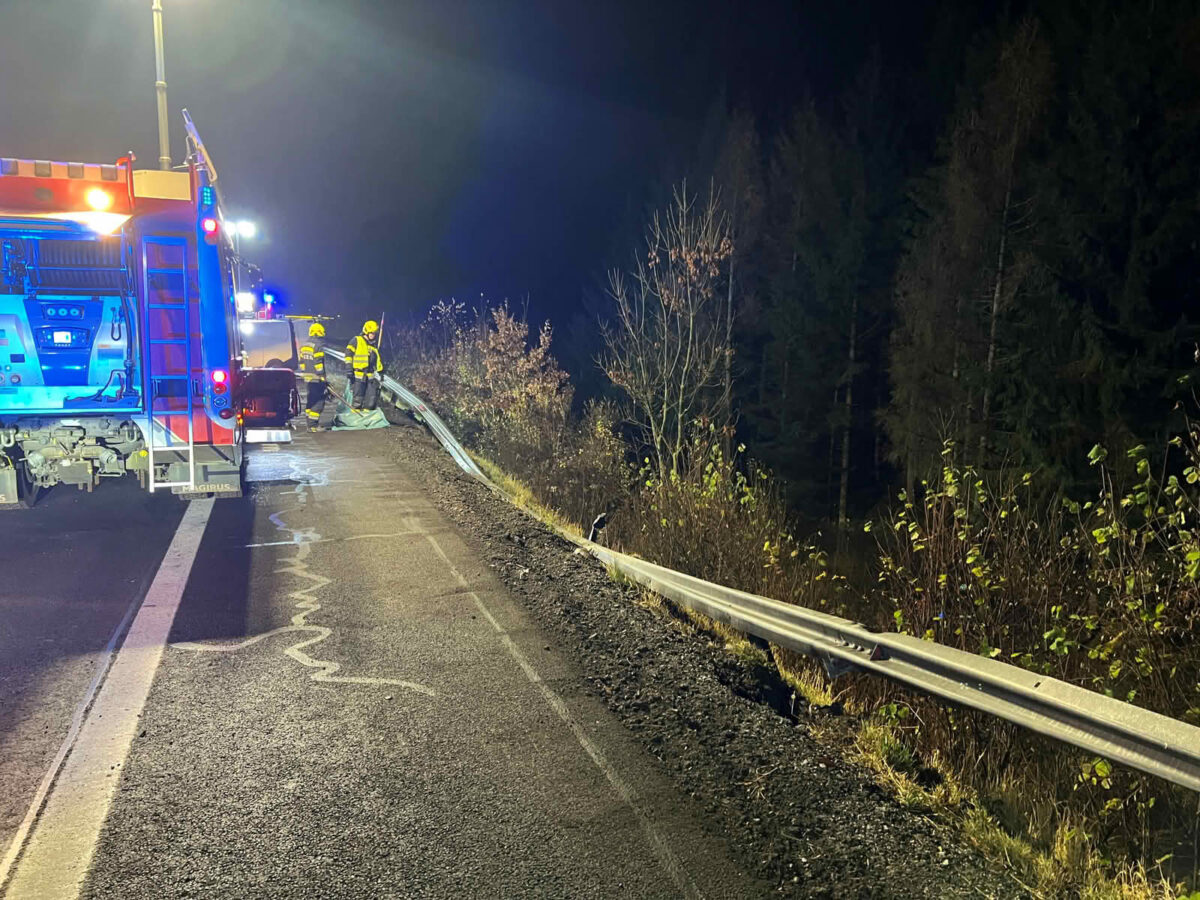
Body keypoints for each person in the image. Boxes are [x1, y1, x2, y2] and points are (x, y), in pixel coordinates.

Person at [346, 319, 383, 410]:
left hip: (370, 376)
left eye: (374, 333)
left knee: (371, 399)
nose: (373, 335)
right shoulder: (356, 340)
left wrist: (381, 371)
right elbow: (348, 354)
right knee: (358, 399)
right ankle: (355, 415)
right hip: (359, 375)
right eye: (372, 333)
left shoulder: (373, 345)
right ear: (366, 331)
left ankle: (367, 415)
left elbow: (377, 360)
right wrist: (349, 368)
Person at [297, 321, 327, 429]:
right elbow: (319, 363)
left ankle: (309, 423)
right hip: (316, 378)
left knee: (311, 400)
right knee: (319, 401)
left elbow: (301, 363)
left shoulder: (305, 345)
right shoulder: (318, 345)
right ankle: (313, 425)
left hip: (308, 379)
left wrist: (305, 374)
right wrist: (322, 377)